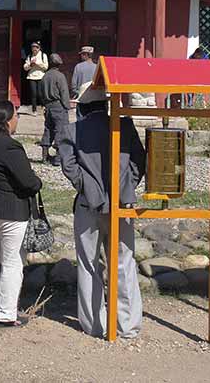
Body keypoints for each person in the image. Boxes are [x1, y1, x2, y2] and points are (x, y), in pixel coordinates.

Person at [57, 99, 147, 339]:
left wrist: (86, 186)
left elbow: (68, 166)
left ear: (83, 107)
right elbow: (140, 161)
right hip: (122, 203)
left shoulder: (73, 130)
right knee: (124, 263)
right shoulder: (125, 126)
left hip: (88, 204)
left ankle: (95, 324)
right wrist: (127, 186)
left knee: (89, 264)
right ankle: (127, 325)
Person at [0, 100, 43, 327]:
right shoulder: (12, 147)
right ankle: (4, 314)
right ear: (9, 119)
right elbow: (28, 182)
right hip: (12, 212)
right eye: (16, 116)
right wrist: (38, 181)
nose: (18, 120)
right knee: (12, 263)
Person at [40, 53, 72, 166]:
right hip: (59, 106)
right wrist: (67, 106)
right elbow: (64, 92)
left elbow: (41, 93)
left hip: (48, 106)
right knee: (61, 130)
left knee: (48, 129)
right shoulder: (60, 76)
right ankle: (58, 159)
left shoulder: (44, 76)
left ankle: (44, 155)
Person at [71, 46, 106, 121]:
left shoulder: (78, 67)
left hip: (82, 101)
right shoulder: (97, 67)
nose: (81, 56)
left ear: (85, 55)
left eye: (82, 54)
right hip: (96, 100)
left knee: (81, 123)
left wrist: (78, 94)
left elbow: (74, 86)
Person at [22, 42, 48, 113]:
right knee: (33, 94)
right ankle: (34, 110)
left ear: (39, 48)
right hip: (32, 76)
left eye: (36, 48)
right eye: (33, 48)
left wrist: (38, 64)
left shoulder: (43, 55)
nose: (34, 49)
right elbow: (25, 67)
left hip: (40, 76)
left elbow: (46, 67)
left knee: (40, 93)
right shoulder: (30, 56)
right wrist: (31, 64)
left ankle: (43, 105)